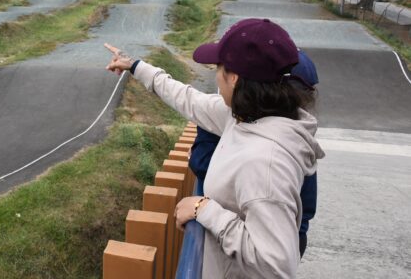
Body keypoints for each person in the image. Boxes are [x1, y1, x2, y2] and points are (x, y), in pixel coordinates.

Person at [105, 18, 325, 278]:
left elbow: (276, 265)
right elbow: (189, 99)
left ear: (233, 77)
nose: (215, 76)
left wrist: (204, 209)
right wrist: (135, 66)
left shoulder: (264, 162)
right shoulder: (246, 115)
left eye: (217, 68)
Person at [189, 50, 320, 258]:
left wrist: (201, 207)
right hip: (291, 237)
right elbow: (308, 203)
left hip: (241, 242)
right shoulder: (297, 137)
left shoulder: (270, 148)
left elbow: (202, 162)